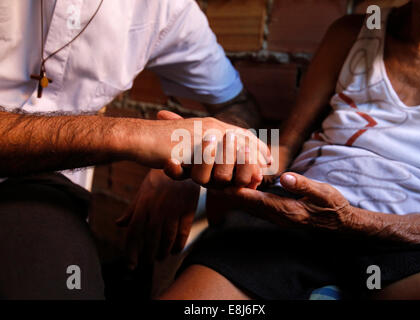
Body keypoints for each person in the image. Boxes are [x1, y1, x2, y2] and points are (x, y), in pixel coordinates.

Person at [159, 0, 420, 300]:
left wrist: (354, 221)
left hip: (416, 241)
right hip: (299, 216)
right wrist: (235, 159)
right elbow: (285, 144)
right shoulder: (354, 33)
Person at [0, 0, 269, 299]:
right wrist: (131, 136)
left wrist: (186, 162)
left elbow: (240, 108)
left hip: (41, 193)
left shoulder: (166, 8)